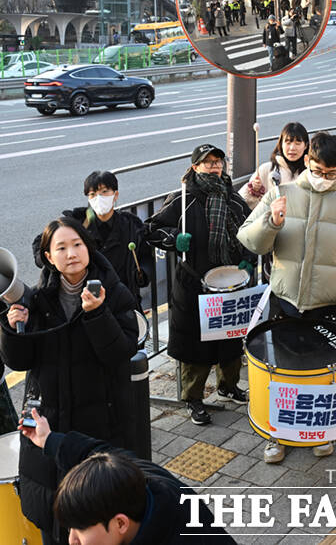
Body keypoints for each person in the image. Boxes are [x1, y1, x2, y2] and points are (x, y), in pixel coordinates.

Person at [238, 132, 336, 464]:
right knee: (282, 372)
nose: (323, 179)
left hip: (329, 305)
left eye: (331, 174)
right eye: (317, 170)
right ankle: (278, 435)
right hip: (285, 300)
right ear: (307, 162)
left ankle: (323, 432)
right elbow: (248, 238)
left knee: (322, 374)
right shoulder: (281, 193)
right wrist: (272, 222)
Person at [0, 216, 138, 543]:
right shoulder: (37, 299)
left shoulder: (114, 293)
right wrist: (11, 328)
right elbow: (18, 361)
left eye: (77, 244)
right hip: (47, 430)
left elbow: (121, 353)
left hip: (100, 427)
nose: (71, 253)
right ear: (49, 257)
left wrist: (98, 315)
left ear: (88, 248)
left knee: (100, 519)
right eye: (60, 247)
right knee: (55, 523)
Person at [145, 144, 254, 427]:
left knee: (230, 338)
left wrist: (249, 260)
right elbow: (150, 229)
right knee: (196, 344)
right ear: (195, 167)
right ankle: (193, 398)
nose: (215, 167)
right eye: (208, 163)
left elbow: (250, 232)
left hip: (229, 282)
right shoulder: (184, 198)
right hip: (193, 282)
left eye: (218, 162)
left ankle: (228, 386)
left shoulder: (233, 198)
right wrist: (172, 239)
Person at [20, 408, 235, 545]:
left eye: (80, 530)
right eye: (71, 529)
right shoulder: (136, 478)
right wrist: (48, 439)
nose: (72, 541)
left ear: (121, 523)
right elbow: (96, 452)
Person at [32, 170, 152, 313]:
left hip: (120, 297)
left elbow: (145, 256)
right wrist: (51, 261)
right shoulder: (76, 221)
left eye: (104, 192)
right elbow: (42, 241)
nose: (98, 198)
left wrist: (143, 273)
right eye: (92, 194)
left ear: (115, 195)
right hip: (84, 299)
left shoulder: (132, 225)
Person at [239, 122, 309, 210]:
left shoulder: (311, 172)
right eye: (288, 142)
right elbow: (243, 203)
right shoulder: (266, 170)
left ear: (306, 145)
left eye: (297, 143)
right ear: (281, 144)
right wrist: (253, 191)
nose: (292, 148)